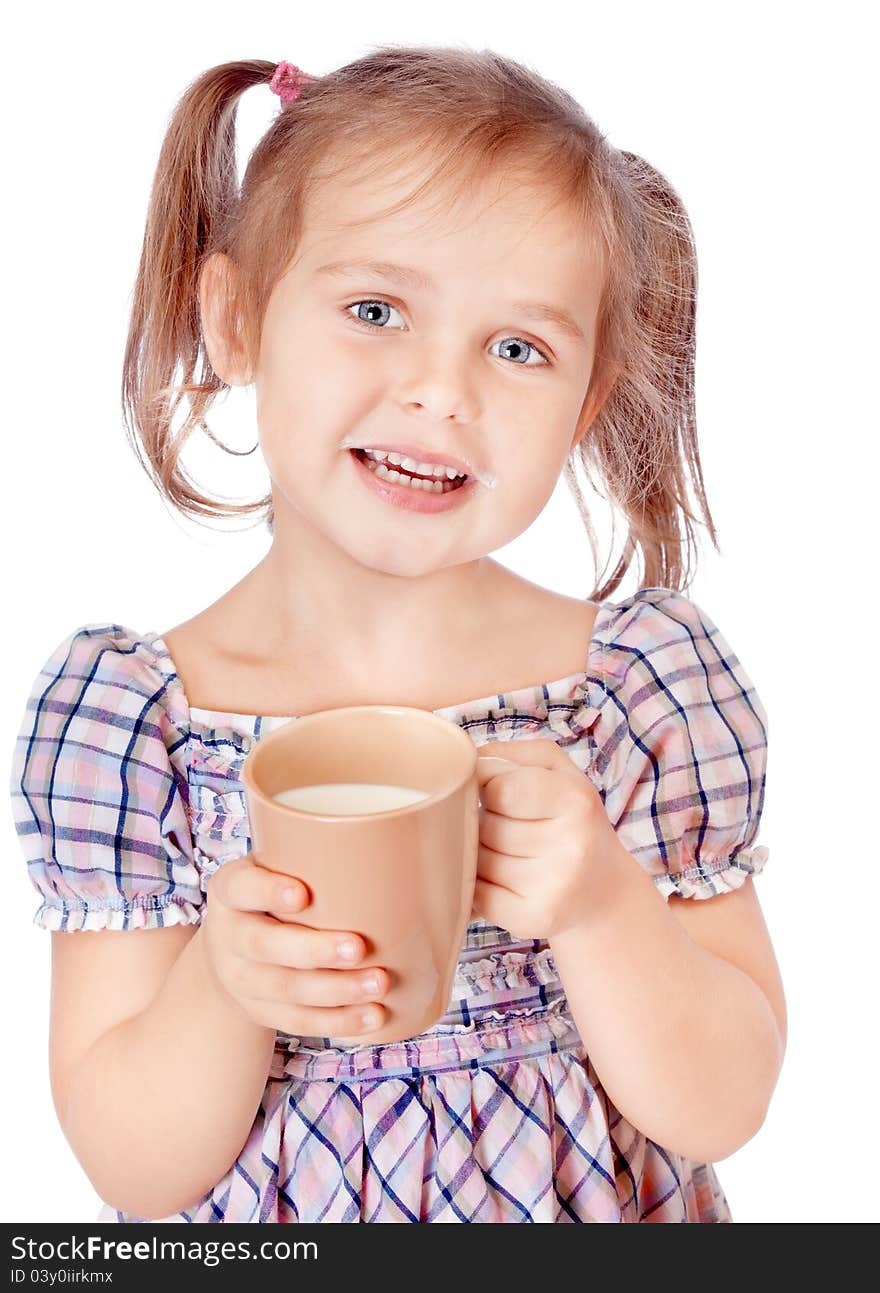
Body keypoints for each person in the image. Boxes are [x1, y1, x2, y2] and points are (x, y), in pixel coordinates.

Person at [9, 46, 787, 1223]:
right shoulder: (136, 723)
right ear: (235, 320)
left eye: (517, 347)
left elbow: (722, 1105)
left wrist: (601, 907)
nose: (443, 392)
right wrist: (224, 983)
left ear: (584, 401)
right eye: (376, 311)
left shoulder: (633, 691)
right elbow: (134, 1171)